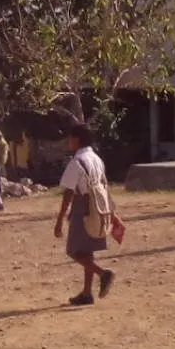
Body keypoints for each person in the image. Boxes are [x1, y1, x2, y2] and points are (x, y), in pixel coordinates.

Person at [53, 123, 116, 306]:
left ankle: (103, 274)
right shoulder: (96, 158)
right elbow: (104, 184)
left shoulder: (77, 161)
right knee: (87, 251)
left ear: (77, 139)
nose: (68, 142)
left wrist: (59, 220)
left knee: (74, 250)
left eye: (70, 138)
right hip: (98, 206)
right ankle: (87, 293)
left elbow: (68, 193)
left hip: (84, 207)